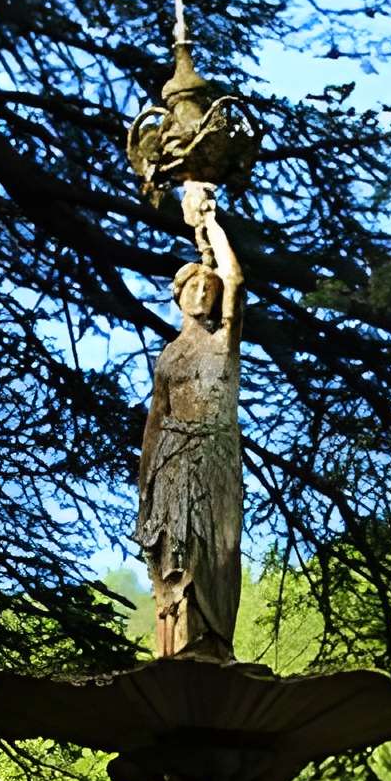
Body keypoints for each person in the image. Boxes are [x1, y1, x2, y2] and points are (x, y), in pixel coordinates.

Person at [137, 183, 246, 659]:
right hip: (172, 462)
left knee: (215, 550)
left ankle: (210, 642)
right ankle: (174, 646)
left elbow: (236, 279)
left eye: (209, 288)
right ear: (178, 295)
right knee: (175, 551)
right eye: (194, 287)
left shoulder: (224, 343)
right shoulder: (169, 356)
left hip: (215, 457)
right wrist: (145, 485)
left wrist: (209, 224)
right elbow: (155, 420)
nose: (203, 292)